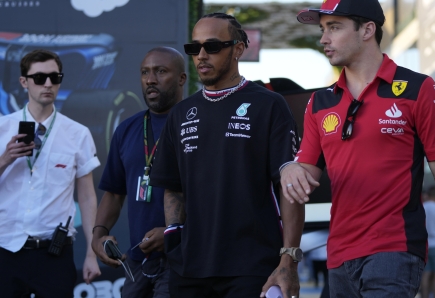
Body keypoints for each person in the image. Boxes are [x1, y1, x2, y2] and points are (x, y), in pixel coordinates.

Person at [281, 0, 435, 297]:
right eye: (323, 29)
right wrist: (288, 169)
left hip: (395, 250)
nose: (323, 39)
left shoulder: (418, 88)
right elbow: (303, 180)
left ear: (367, 30)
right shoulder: (319, 103)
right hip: (338, 255)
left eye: (334, 28)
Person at [148, 13, 304, 298]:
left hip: (252, 266)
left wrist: (288, 259)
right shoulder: (181, 113)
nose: (202, 55)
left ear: (238, 49)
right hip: (189, 269)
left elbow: (289, 186)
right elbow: (173, 186)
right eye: (195, 48)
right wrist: (173, 235)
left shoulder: (269, 105)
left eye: (213, 46)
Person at [0, 49, 101, 297]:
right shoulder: (2, 128)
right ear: (24, 82)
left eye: (54, 78)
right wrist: (6, 158)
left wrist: (92, 253)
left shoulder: (78, 133)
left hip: (54, 254)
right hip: (6, 250)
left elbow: (87, 198)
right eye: (39, 78)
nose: (48, 84)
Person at [91, 47, 187, 297]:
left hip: (182, 260)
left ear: (181, 79)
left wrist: (174, 233)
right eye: (145, 72)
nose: (150, 79)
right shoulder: (127, 129)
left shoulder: (195, 125)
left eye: (161, 71)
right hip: (137, 262)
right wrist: (98, 235)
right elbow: (113, 193)